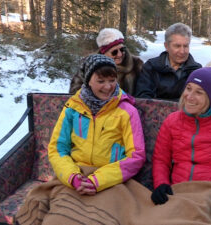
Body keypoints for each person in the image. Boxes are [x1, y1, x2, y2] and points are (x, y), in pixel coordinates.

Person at [16, 55, 145, 224]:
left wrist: (98, 180)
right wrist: (73, 177)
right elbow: (57, 148)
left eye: (112, 80)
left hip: (110, 180)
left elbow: (136, 156)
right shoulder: (72, 107)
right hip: (75, 177)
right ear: (88, 81)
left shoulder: (127, 111)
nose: (108, 87)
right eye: (100, 81)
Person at [151, 67, 211, 220]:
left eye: (199, 92)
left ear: (210, 98)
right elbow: (161, 160)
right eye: (188, 88)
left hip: (210, 193)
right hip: (178, 191)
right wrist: (161, 184)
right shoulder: (172, 121)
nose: (189, 97)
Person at [135, 22, 202, 100]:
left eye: (186, 46)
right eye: (177, 46)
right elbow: (143, 99)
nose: (182, 51)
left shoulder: (196, 71)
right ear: (166, 46)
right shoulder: (151, 67)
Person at [69, 28, 143, 96]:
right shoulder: (89, 65)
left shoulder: (136, 64)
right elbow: (75, 91)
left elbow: (142, 92)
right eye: (114, 52)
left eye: (122, 50)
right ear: (103, 53)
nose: (120, 54)